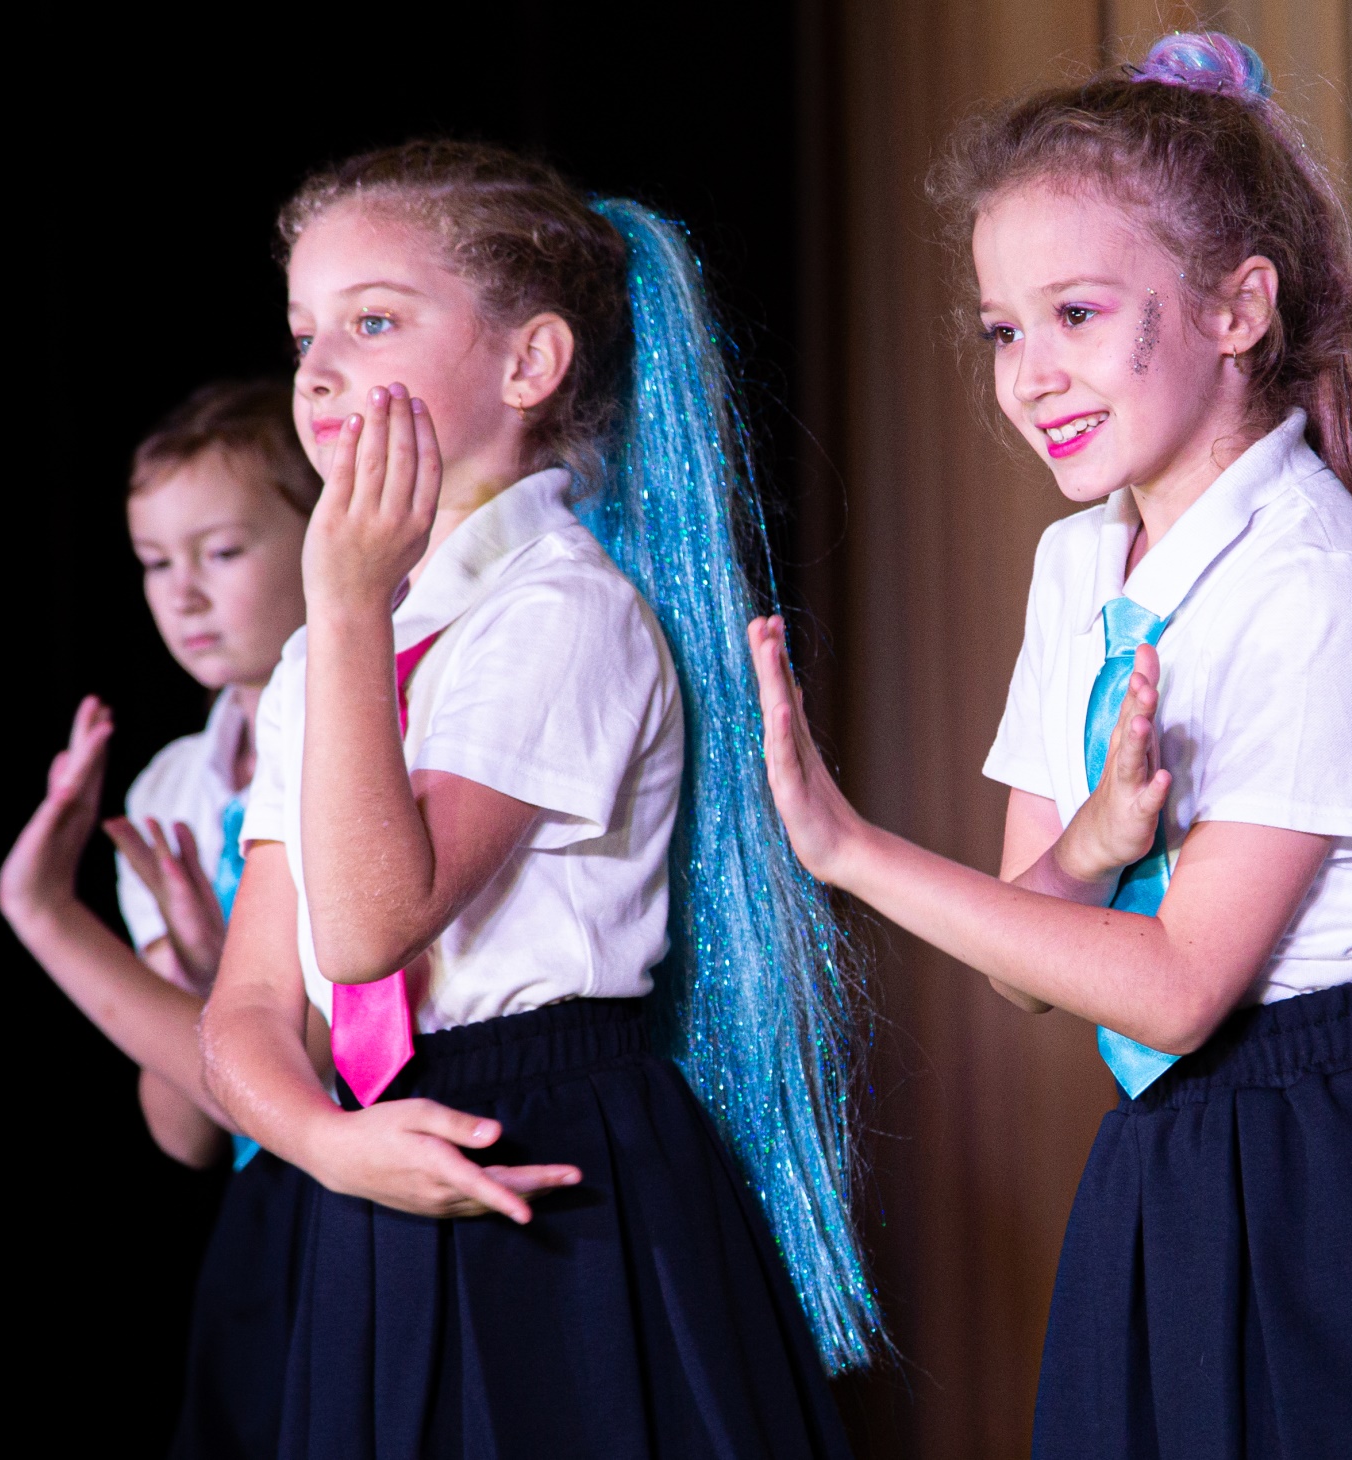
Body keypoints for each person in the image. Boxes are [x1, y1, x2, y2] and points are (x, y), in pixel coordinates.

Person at [748, 33, 1352, 1458]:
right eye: (1002, 330)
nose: (1031, 375)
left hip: (1339, 1156)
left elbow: (1174, 989)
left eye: (1077, 313)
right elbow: (1028, 962)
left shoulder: (1320, 579)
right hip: (1177, 1153)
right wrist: (1096, 843)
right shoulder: (1075, 566)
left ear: (1239, 309)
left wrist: (849, 850)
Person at [200, 142, 873, 1459]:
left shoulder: (564, 615)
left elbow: (366, 928)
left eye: (372, 321)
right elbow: (251, 1006)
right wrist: (328, 1146)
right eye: (302, 335)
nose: (319, 370)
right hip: (372, 1158)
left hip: (551, 1158)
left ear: (531, 363)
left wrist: (347, 611)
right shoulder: (324, 653)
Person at [0, 379, 328, 1458]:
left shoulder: (360, 733)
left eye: (221, 552)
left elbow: (340, 1063)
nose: (182, 595)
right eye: (153, 562)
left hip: (372, 1179)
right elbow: (185, 1129)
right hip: (269, 1216)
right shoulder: (171, 791)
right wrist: (201, 975)